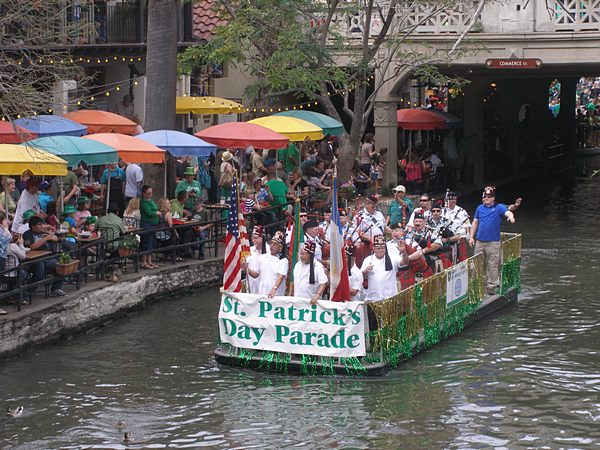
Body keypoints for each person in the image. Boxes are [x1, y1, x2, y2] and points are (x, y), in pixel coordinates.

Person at [469, 186, 515, 295]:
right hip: (480, 241)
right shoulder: (479, 208)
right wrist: (471, 237)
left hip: (493, 242)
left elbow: (508, 212)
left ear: (493, 198)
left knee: (492, 264)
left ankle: (491, 286)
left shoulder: (499, 207)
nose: (486, 199)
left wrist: (511, 217)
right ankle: (476, 285)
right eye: (485, 197)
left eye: (489, 197)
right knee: (477, 263)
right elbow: (475, 223)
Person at [23, 216, 66, 297]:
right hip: (33, 260)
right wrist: (45, 238)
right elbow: (32, 246)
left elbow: (55, 238)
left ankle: (55, 289)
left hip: (46, 257)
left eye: (42, 224)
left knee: (62, 266)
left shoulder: (42, 232)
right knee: (40, 268)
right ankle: (29, 289)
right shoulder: (27, 234)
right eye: (39, 224)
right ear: (32, 226)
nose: (42, 226)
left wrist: (52, 236)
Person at [360, 235, 407, 301]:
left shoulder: (393, 258)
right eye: (378, 248)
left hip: (390, 297)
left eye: (382, 248)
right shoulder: (368, 259)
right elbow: (360, 274)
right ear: (373, 249)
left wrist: (403, 252)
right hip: (373, 298)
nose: (380, 250)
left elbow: (405, 262)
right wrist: (366, 271)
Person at [245, 231, 288, 299]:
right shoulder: (262, 257)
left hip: (276, 294)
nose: (272, 246)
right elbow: (255, 274)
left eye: (275, 244)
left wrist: (274, 288)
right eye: (271, 243)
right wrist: (246, 267)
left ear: (280, 247)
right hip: (262, 293)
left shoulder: (283, 261)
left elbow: (281, 276)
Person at [139, 185, 161, 269]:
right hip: (147, 224)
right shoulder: (143, 203)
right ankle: (144, 261)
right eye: (148, 193)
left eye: (151, 193)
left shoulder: (151, 201)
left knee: (152, 242)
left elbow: (155, 207)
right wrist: (156, 213)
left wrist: (156, 211)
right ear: (144, 194)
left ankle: (149, 260)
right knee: (146, 242)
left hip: (153, 224)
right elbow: (149, 212)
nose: (150, 195)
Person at [245, 225, 265, 294]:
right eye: (252, 238)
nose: (253, 240)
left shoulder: (269, 252)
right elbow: (243, 264)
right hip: (250, 286)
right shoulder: (249, 250)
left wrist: (246, 268)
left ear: (262, 238)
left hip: (263, 288)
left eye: (256, 238)